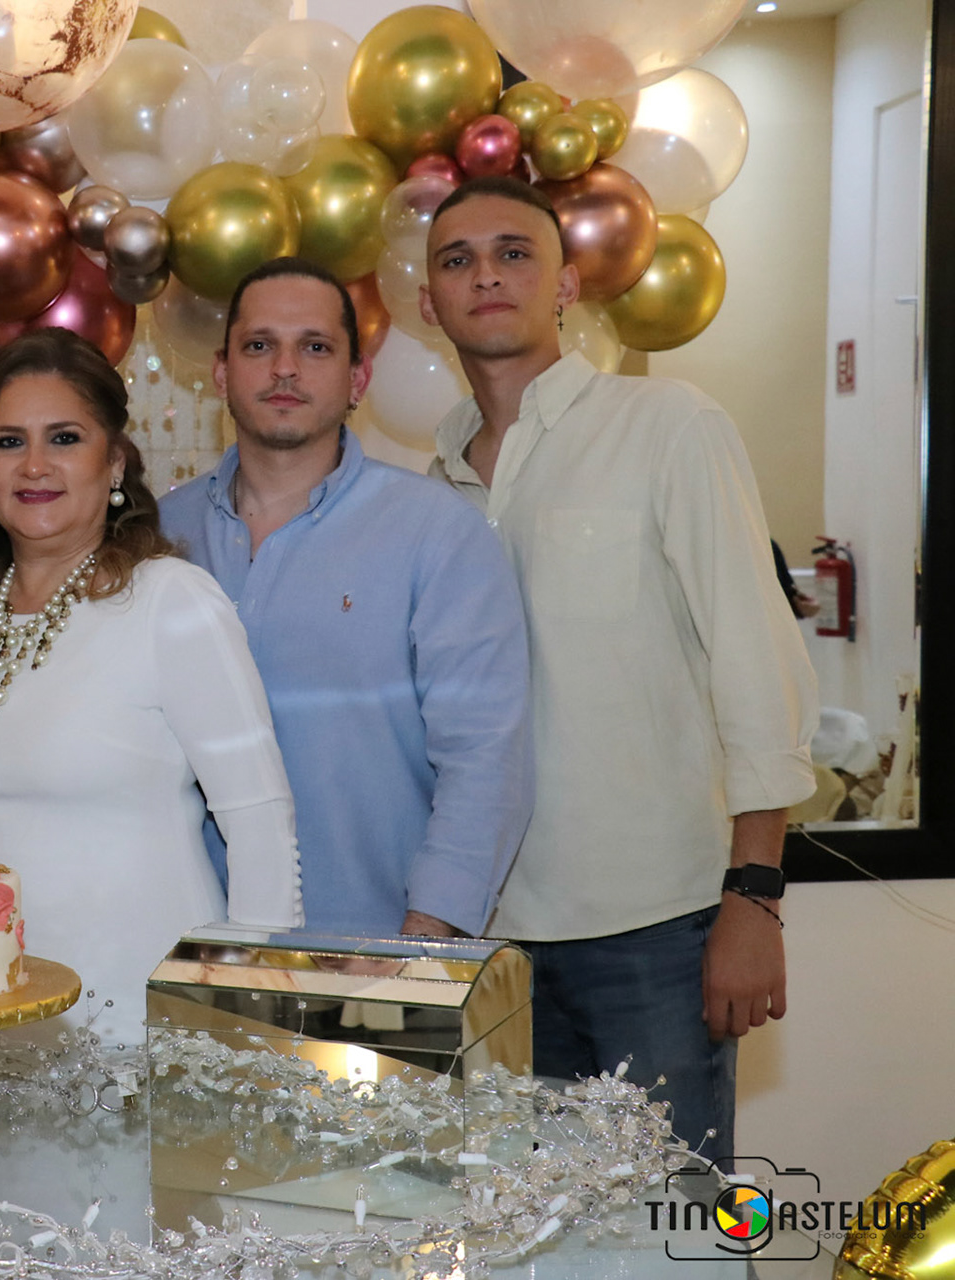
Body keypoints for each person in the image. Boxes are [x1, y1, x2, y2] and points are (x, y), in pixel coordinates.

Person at [417, 176, 819, 1158]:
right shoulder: (430, 489)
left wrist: (754, 895)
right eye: (458, 260)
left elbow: (757, 662)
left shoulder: (667, 426)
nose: (487, 276)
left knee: (670, 1222)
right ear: (429, 301)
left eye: (515, 252)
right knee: (526, 1226)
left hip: (656, 929)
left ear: (566, 284)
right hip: (490, 945)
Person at [0, 328, 303, 1045]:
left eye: (65, 438)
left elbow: (260, 825)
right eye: (9, 442)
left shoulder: (171, 600)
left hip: (147, 1026)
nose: (35, 465)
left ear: (116, 462)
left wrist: (247, 1023)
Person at [161, 258, 532, 939]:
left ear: (357, 379)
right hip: (182, 949)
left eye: (315, 347)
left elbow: (486, 758)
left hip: (373, 951)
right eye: (259, 345)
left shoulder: (436, 532)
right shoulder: (156, 537)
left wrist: (422, 944)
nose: (284, 369)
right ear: (221, 372)